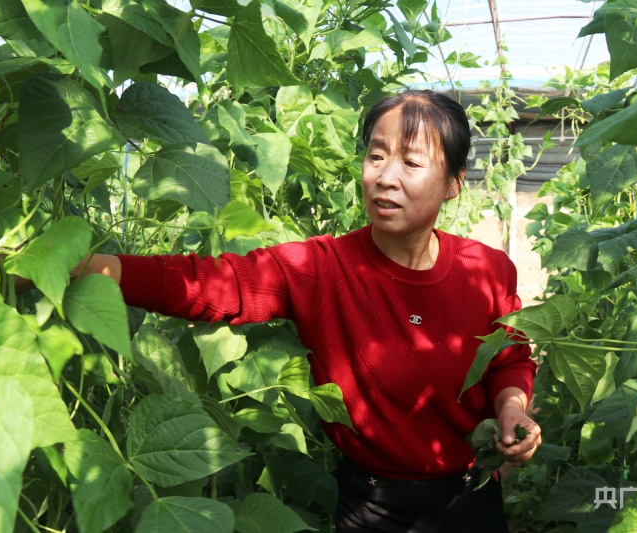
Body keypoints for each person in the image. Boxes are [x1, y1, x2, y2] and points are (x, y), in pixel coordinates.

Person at [71, 89, 541, 532]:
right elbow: (215, 283)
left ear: (454, 184)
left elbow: (509, 358)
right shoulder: (321, 268)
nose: (385, 176)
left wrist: (512, 409)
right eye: (376, 155)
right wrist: (80, 265)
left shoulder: (486, 271)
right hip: (371, 504)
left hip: (470, 495)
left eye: (411, 161)